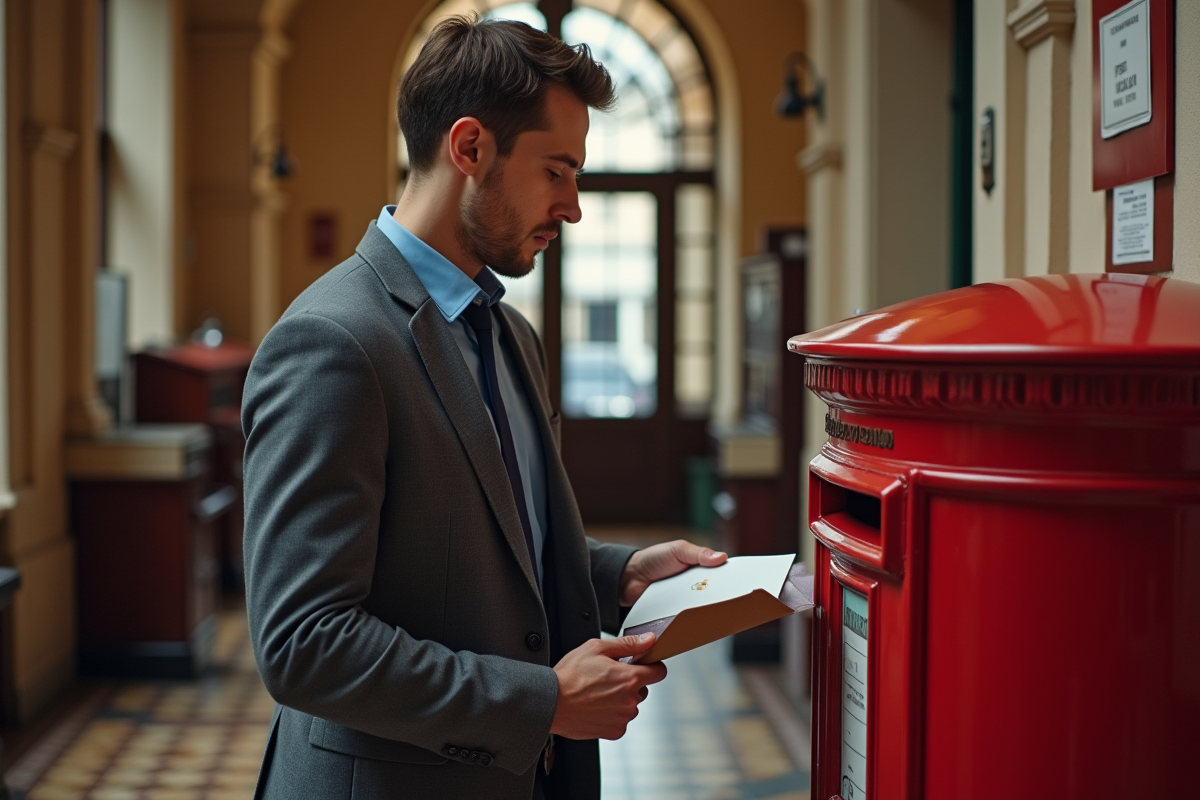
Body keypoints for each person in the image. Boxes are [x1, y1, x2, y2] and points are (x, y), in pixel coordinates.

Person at [242, 15, 726, 800]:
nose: (572, 207)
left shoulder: (510, 336)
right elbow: (304, 643)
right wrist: (542, 703)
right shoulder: (332, 344)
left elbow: (491, 541)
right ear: (469, 149)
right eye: (557, 171)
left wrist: (619, 575)